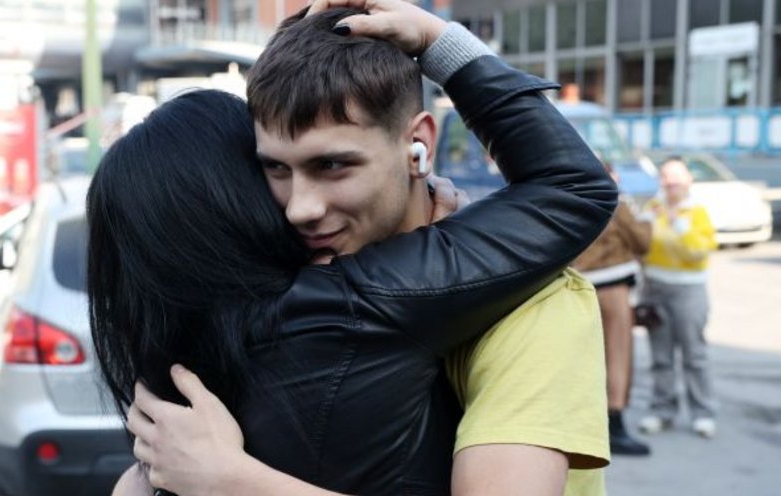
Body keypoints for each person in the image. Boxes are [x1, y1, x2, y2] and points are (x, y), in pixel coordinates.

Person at [91, 2, 616, 495]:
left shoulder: (538, 306)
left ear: (419, 144)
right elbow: (573, 189)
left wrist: (231, 480)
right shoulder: (341, 301)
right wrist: (439, 42)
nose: (299, 209)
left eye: (331, 165)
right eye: (273, 169)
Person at [573, 160, 653, 456]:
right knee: (618, 355)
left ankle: (585, 426)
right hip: (613, 285)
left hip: (578, 287)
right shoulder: (615, 202)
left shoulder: (573, 200)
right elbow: (643, 241)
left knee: (584, 357)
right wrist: (646, 220)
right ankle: (614, 424)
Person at [636, 158, 718, 438]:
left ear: (688, 181)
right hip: (655, 289)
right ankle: (662, 411)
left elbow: (698, 251)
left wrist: (676, 223)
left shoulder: (698, 212)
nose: (671, 184)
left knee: (694, 355)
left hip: (689, 290)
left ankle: (703, 413)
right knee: (660, 356)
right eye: (665, 178)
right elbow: (641, 245)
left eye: (676, 178)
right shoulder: (652, 208)